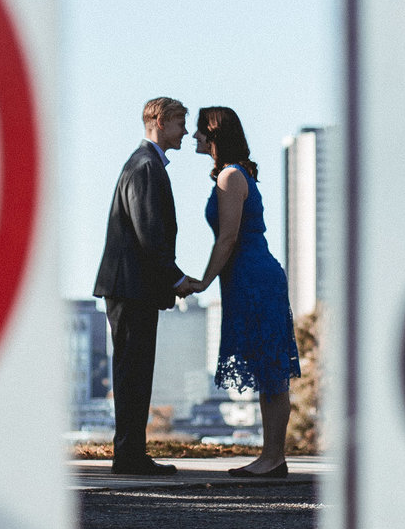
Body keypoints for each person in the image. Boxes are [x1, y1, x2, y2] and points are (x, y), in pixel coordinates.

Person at [178, 105, 301, 479]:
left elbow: (228, 237)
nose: (195, 137)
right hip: (248, 277)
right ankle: (271, 457)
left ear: (214, 136)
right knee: (269, 371)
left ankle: (273, 458)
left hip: (253, 277)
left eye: (200, 131)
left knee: (271, 370)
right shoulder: (236, 174)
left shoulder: (231, 177)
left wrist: (201, 281)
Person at [92, 96, 195, 475]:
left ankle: (131, 452)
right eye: (180, 122)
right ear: (160, 121)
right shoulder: (146, 166)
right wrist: (177, 278)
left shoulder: (144, 164)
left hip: (130, 286)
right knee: (133, 371)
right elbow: (149, 232)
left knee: (133, 370)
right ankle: (130, 455)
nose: (185, 130)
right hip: (131, 287)